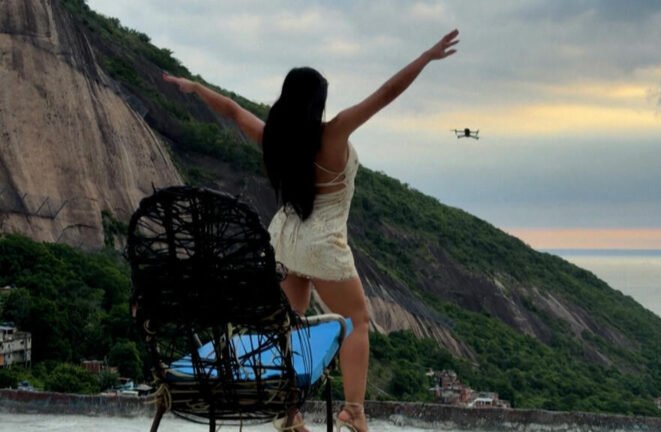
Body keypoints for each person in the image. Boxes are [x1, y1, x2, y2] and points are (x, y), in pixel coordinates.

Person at [164, 29, 459, 432]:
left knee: (289, 326)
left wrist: (195, 87)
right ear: (316, 103)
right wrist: (425, 56)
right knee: (357, 320)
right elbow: (387, 92)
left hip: (283, 240)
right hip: (321, 244)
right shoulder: (332, 134)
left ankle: (288, 413)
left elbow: (232, 110)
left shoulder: (275, 139)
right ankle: (353, 410)